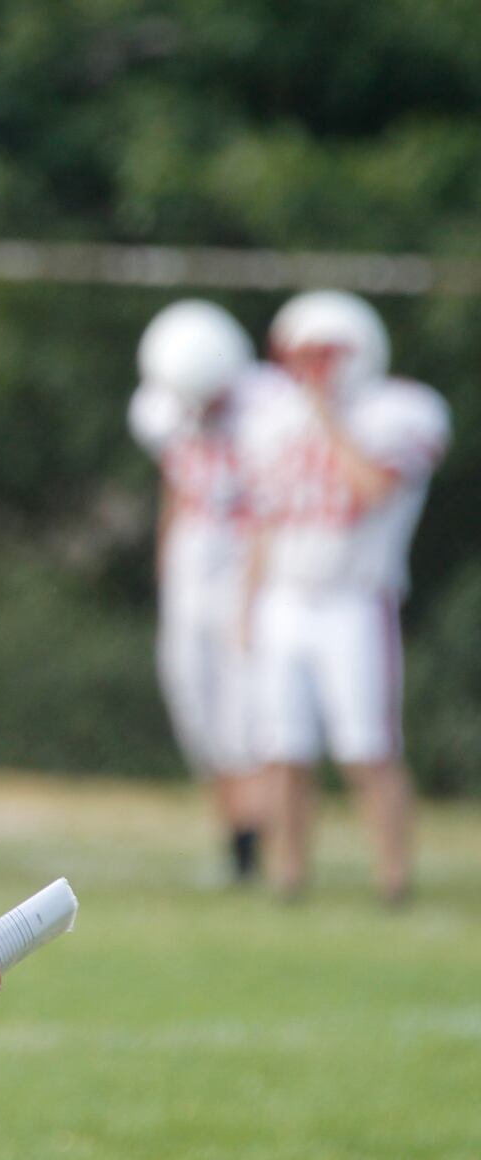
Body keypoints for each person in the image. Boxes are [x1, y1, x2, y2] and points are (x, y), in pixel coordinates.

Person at [242, 290, 450, 902]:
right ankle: (289, 874)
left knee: (368, 747)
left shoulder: (399, 412)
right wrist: (247, 603)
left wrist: (328, 417)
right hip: (285, 598)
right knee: (283, 748)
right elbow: (265, 519)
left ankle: (393, 876)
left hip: (355, 599)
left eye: (322, 356)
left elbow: (370, 491)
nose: (310, 371)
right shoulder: (276, 419)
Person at [130, 300, 271, 882]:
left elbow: (271, 509)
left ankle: (259, 850)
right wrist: (166, 558)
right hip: (194, 561)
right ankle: (233, 842)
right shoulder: (163, 405)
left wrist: (254, 594)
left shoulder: (270, 409)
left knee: (247, 715)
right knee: (196, 705)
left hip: (246, 564)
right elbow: (175, 481)